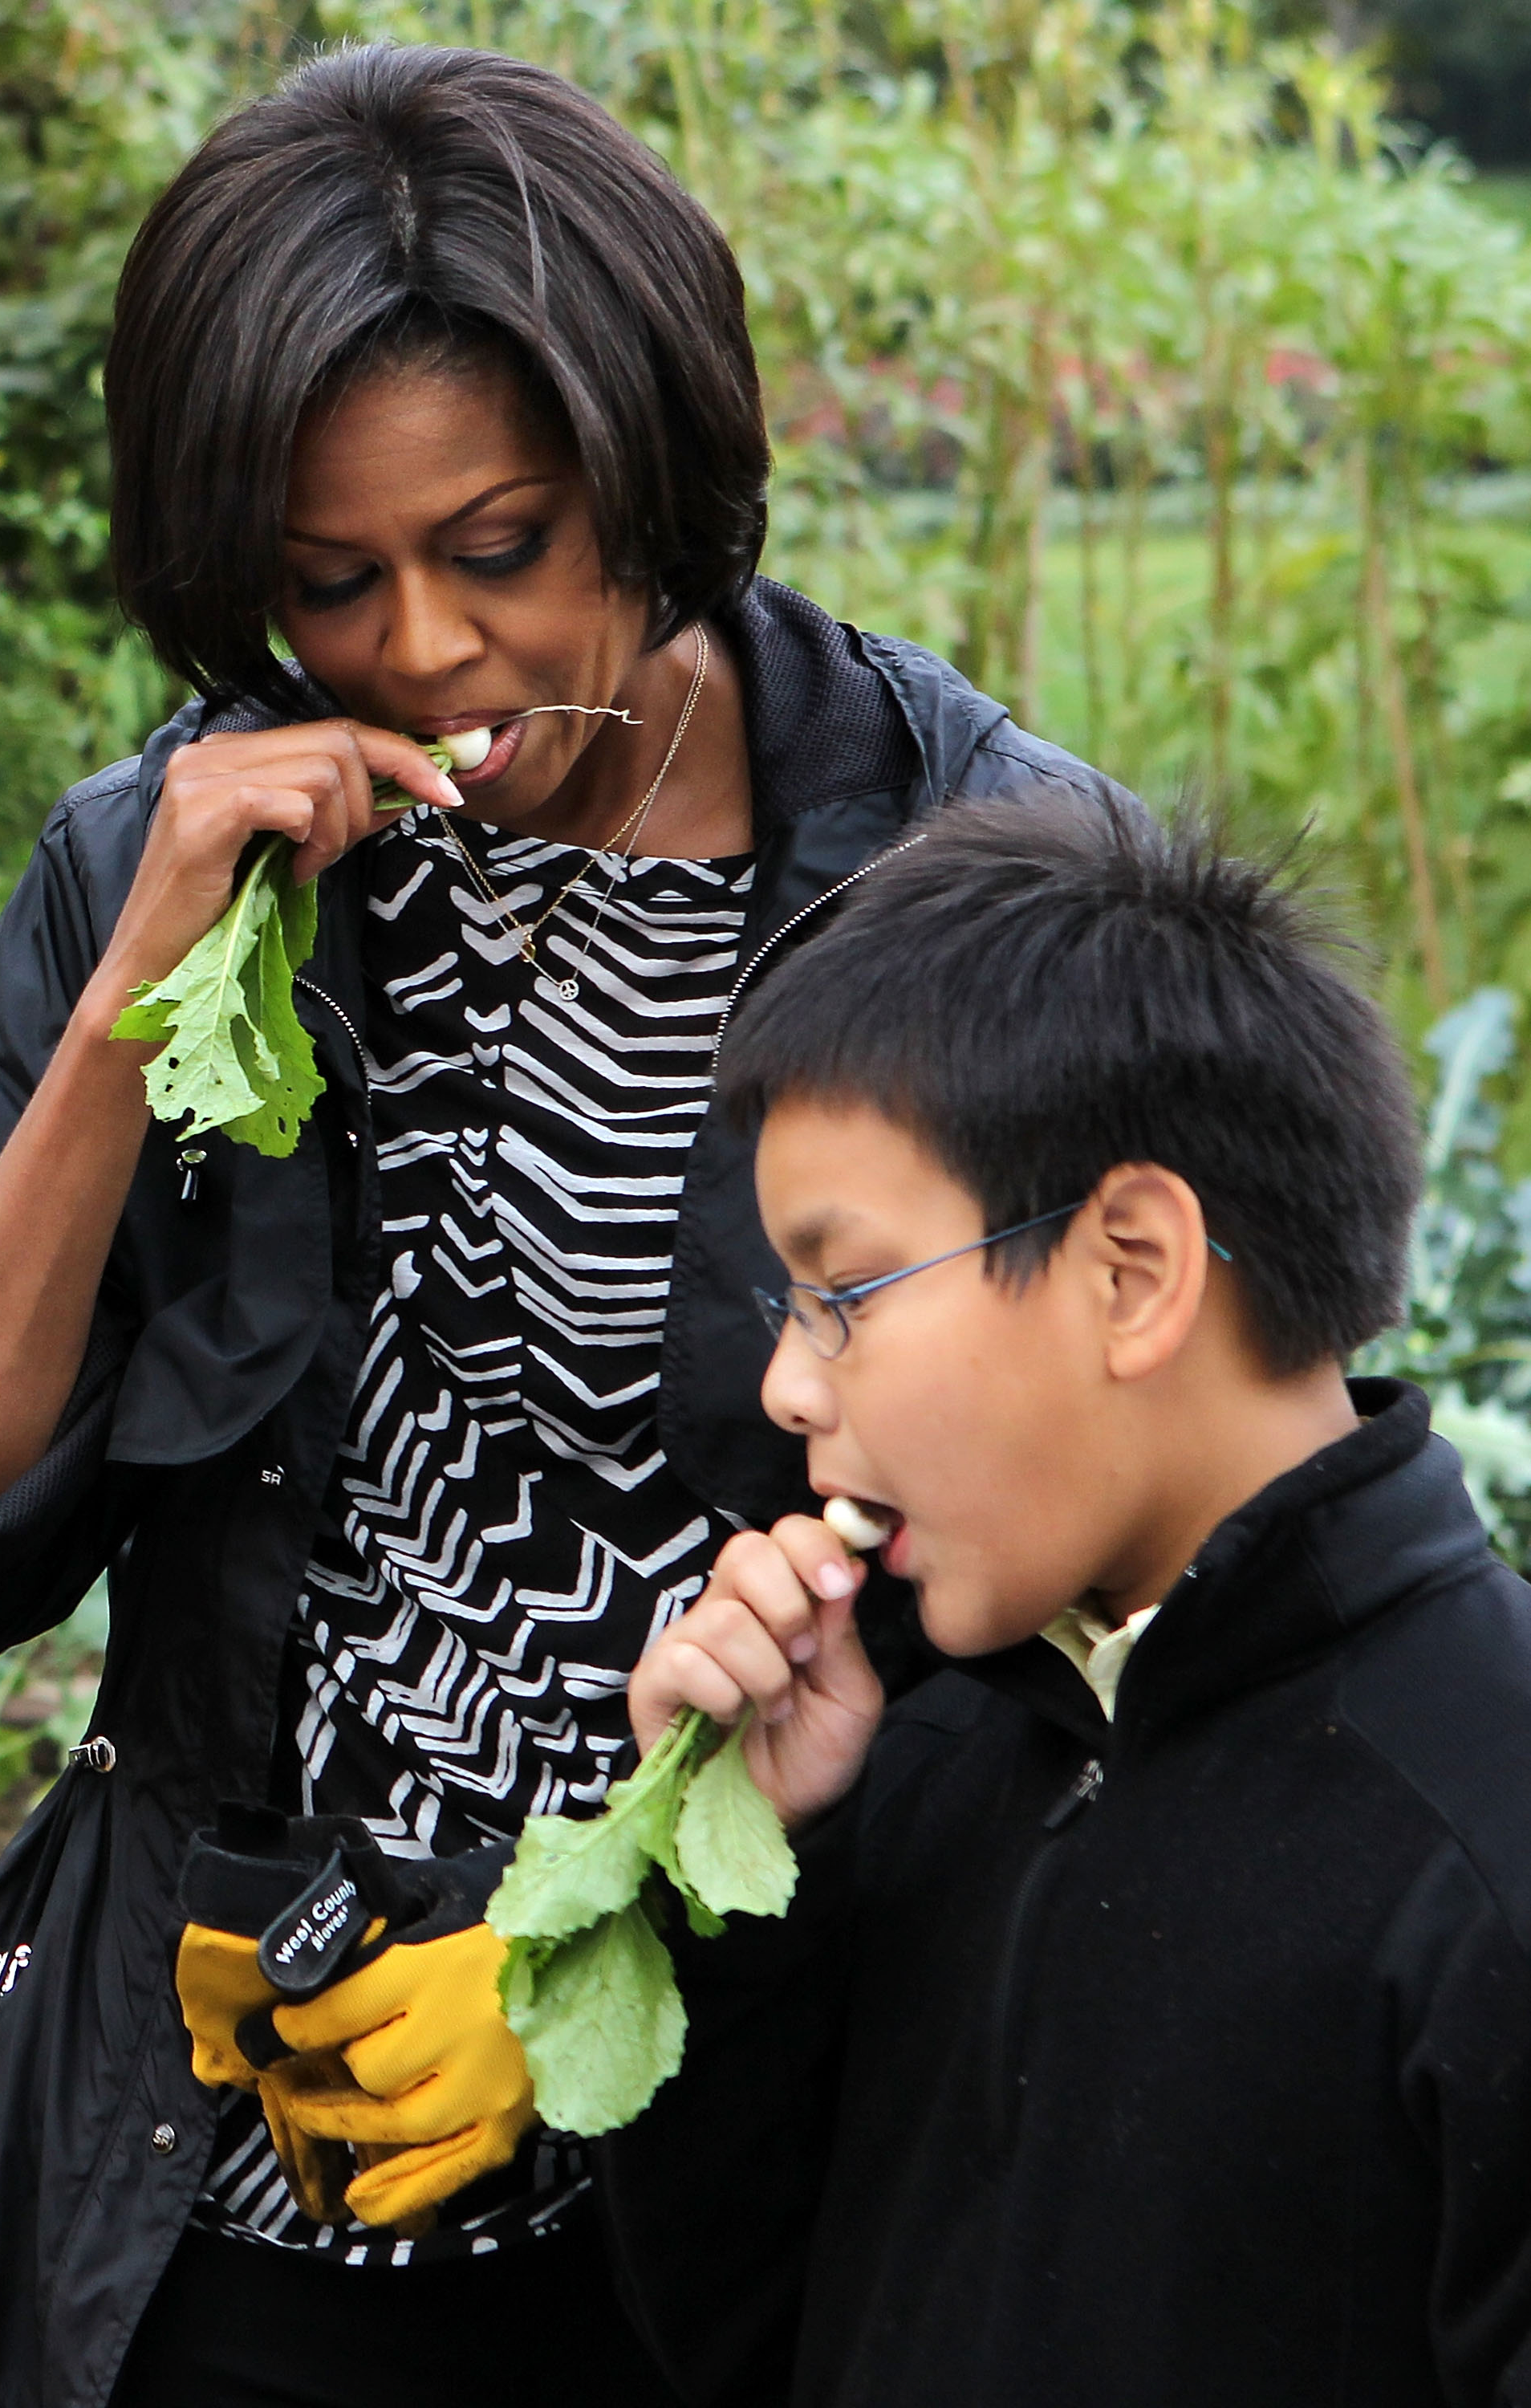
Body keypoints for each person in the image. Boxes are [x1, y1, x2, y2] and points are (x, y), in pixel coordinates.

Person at [0, 40, 1114, 2408]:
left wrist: (600, 1964)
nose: (420, 649)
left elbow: (1077, 1570)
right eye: (327, 584)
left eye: (499, 548)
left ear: (652, 465)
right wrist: (130, 999)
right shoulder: (166, 859)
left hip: (738, 2158)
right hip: (212, 2136)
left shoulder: (965, 870)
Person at [602, 791, 1531, 2408]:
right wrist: (747, 1882)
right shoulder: (930, 1748)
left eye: (838, 1296)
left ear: (1128, 1272)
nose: (782, 1389)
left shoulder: (1481, 1831)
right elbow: (733, 2336)